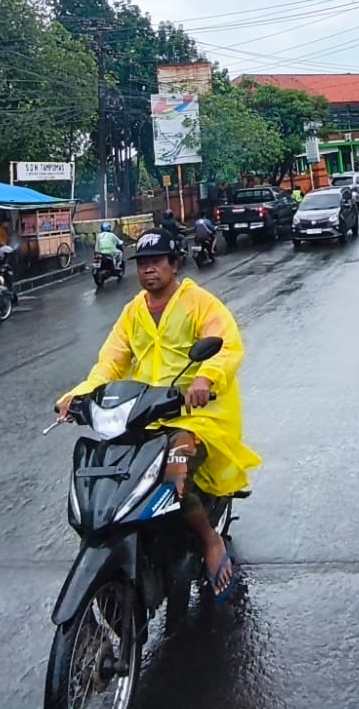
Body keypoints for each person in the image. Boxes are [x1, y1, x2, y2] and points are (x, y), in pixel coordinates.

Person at [56, 231, 260, 598]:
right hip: (143, 413)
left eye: (157, 262)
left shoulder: (200, 303)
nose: (149, 270)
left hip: (195, 415)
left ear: (174, 264)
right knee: (108, 473)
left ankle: (210, 540)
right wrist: (80, 394)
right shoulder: (134, 310)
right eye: (143, 263)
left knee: (173, 472)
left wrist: (205, 377)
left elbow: (226, 346)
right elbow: (111, 361)